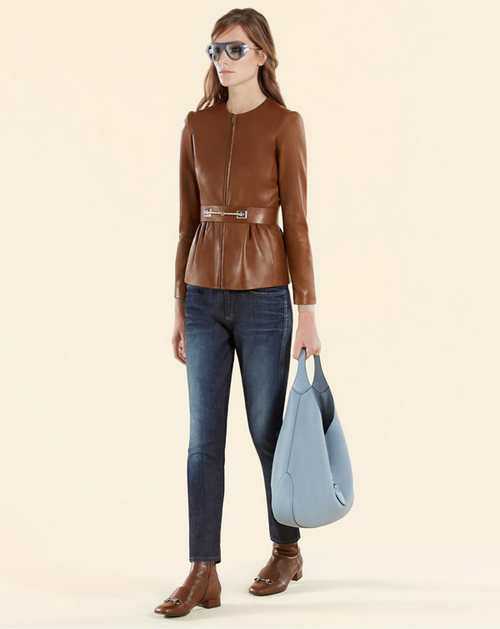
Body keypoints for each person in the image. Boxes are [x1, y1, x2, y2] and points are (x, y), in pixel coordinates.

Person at [155, 8, 321, 618]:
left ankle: (286, 548)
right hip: (202, 297)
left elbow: (296, 224)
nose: (222, 60)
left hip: (265, 298)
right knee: (203, 440)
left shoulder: (285, 123)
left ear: (261, 55)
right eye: (215, 50)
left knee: (266, 430)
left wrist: (307, 312)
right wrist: (179, 304)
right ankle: (204, 569)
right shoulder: (196, 125)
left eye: (234, 49)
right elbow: (185, 221)